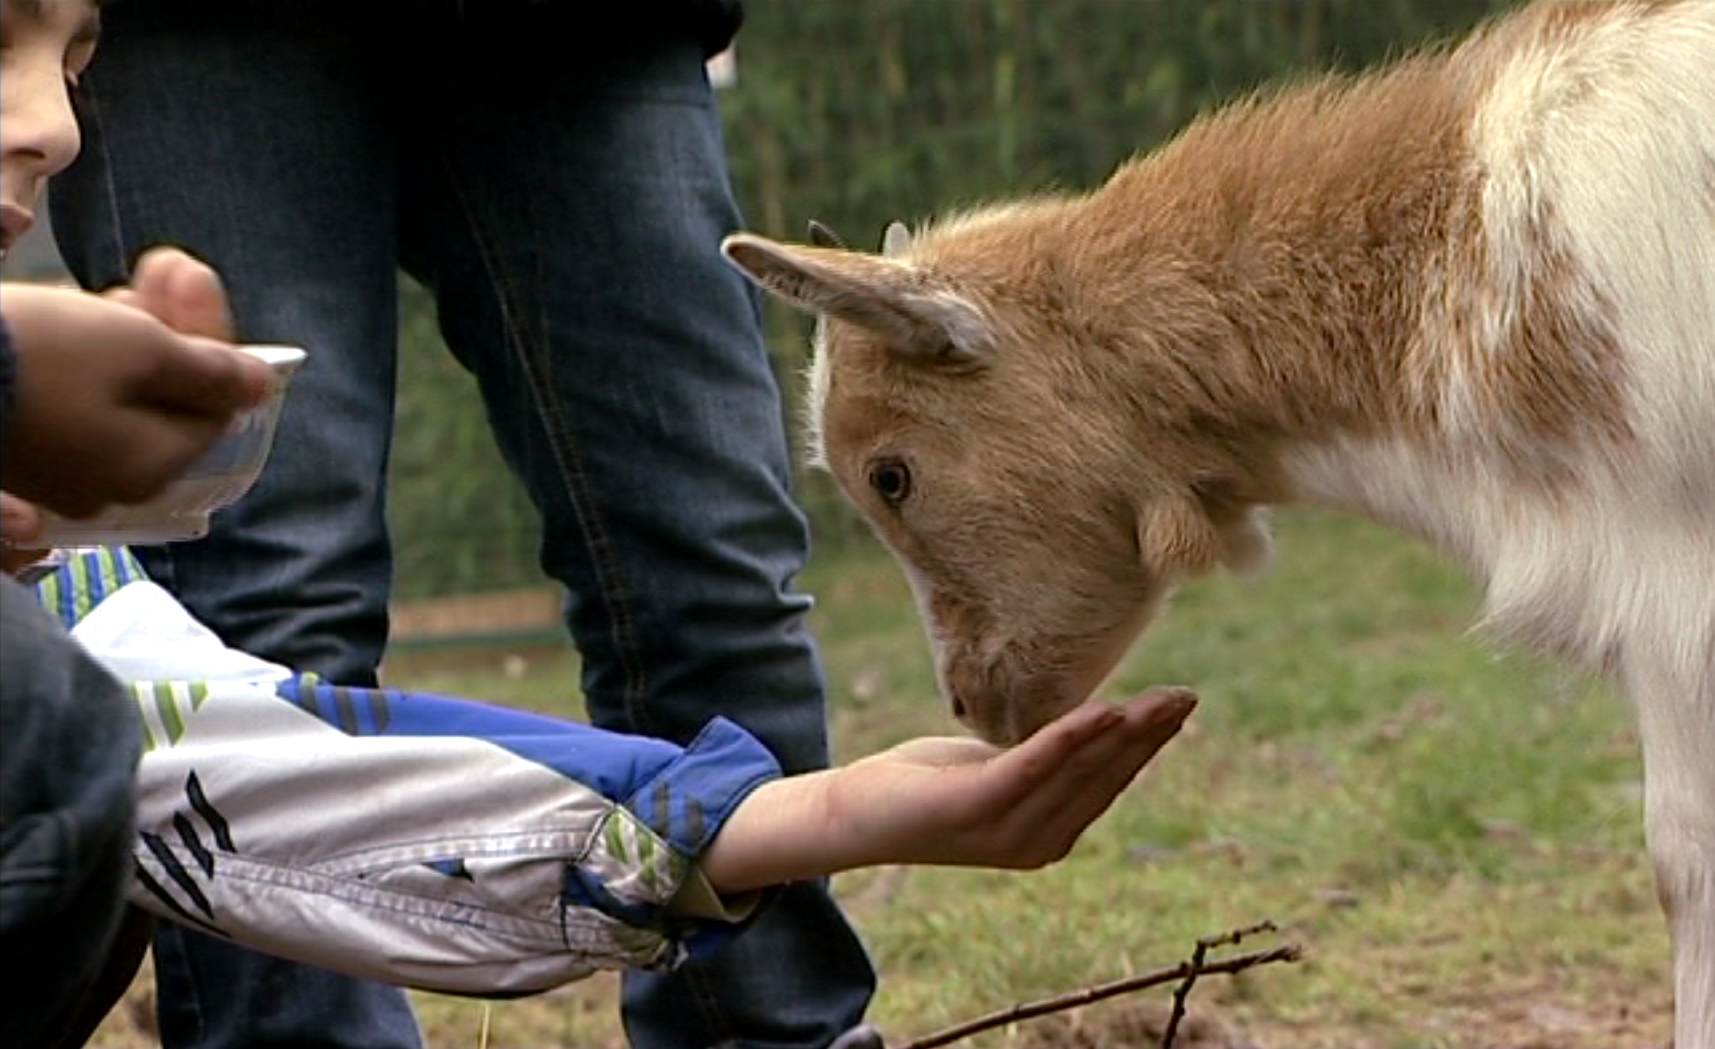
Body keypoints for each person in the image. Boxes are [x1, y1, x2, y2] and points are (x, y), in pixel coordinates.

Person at [48, 3, 885, 1047]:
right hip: (193, 34)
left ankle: (771, 1028)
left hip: (581, 37)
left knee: (711, 558)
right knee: (266, 587)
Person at [17, 541, 1193, 1021]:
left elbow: (241, 758)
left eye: (74, 57)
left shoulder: (61, 577)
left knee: (75, 738)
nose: (53, 126)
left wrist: (803, 815)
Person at [1, 6, 276, 1047]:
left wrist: (705, 819)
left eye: (77, 59)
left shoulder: (85, 577)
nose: (60, 126)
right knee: (42, 722)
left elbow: (253, 738)